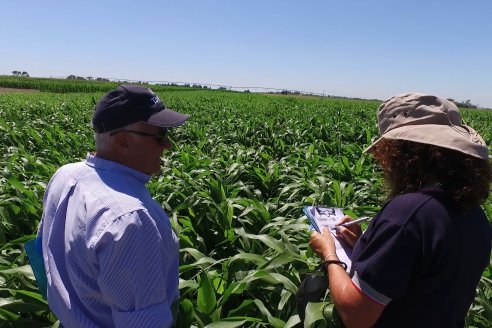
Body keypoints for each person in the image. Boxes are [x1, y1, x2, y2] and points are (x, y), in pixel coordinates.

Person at [309, 93, 492, 327]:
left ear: (400, 152)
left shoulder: (407, 214)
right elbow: (420, 278)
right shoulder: (473, 214)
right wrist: (366, 244)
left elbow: (356, 315)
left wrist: (329, 254)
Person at [37, 85, 189, 327]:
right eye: (160, 136)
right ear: (123, 142)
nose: (168, 145)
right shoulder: (131, 220)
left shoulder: (66, 176)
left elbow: (42, 253)